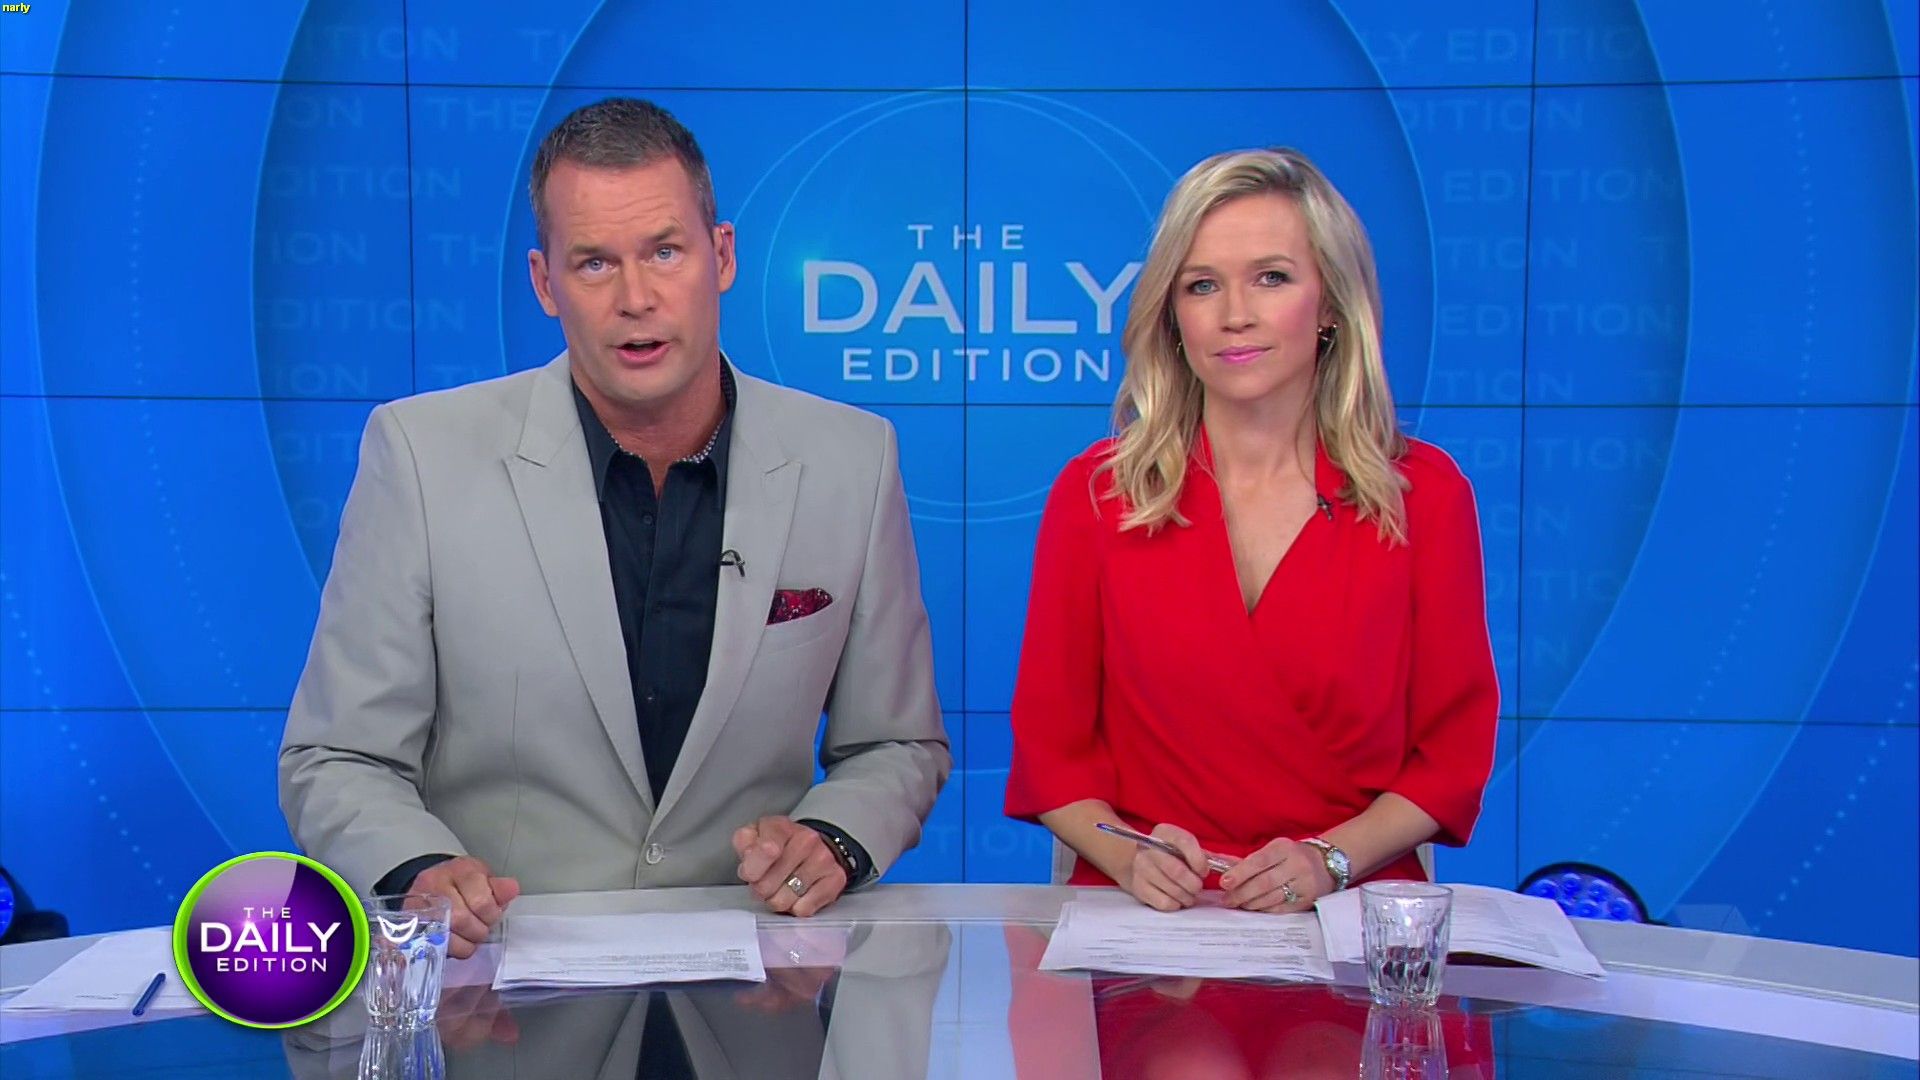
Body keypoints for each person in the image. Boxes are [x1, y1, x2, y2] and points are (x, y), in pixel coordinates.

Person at [279, 98, 949, 956]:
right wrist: (419, 867)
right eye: (594, 263)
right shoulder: (421, 455)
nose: (636, 298)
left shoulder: (852, 460)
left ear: (722, 255)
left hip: (757, 979)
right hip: (503, 977)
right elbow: (338, 758)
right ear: (544, 284)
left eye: (665, 252)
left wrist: (835, 840)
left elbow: (897, 742)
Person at [1004, 147, 1497, 914]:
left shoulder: (1423, 497)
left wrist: (1329, 861)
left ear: (1330, 304)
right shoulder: (1100, 495)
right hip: (1154, 914)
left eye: (1271, 278)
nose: (1235, 313)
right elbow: (1052, 756)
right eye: (1202, 285)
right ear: (1173, 313)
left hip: (1349, 904)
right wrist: (1130, 858)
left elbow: (1450, 758)